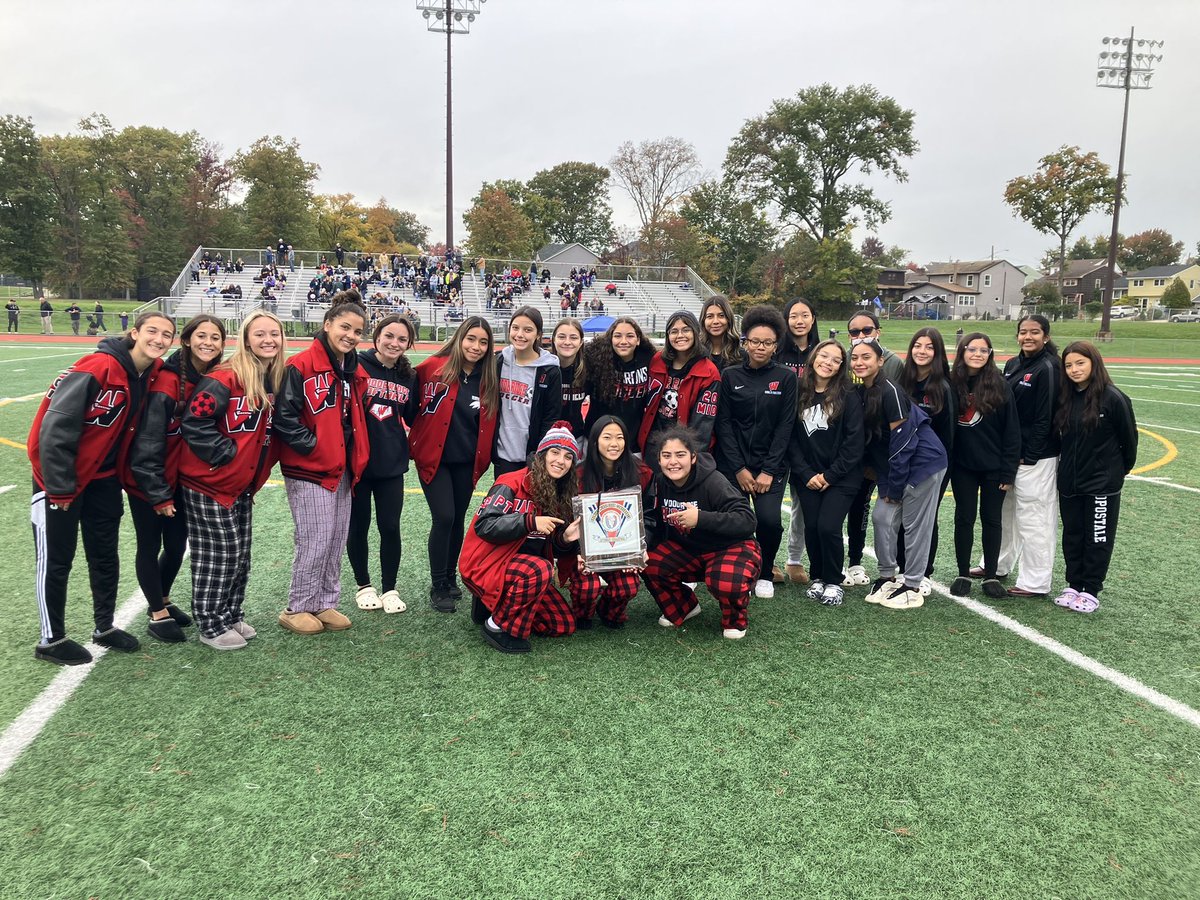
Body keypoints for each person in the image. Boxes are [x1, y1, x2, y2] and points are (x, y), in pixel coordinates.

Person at [29, 312, 175, 665]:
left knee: (104, 553)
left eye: (167, 334)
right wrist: (60, 488)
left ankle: (104, 626)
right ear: (135, 333)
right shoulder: (98, 367)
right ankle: (51, 638)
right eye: (152, 331)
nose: (159, 339)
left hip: (104, 478)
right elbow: (56, 429)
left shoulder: (148, 373)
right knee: (56, 559)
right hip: (61, 481)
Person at [178, 311, 285, 650]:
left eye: (274, 333)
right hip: (209, 482)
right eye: (260, 334)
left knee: (240, 553)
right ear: (246, 339)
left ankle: (230, 612)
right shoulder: (225, 377)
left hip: (240, 484)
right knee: (219, 553)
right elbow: (195, 422)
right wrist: (226, 455)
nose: (268, 340)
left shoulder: (272, 378)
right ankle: (210, 622)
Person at [125, 314, 227, 642]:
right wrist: (158, 493)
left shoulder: (210, 378)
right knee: (150, 543)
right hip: (149, 479)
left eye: (215, 337)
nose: (208, 343)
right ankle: (156, 613)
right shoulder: (168, 382)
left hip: (182, 479)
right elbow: (148, 443)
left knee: (176, 543)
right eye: (201, 336)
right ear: (186, 339)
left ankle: (164, 598)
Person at [273, 296, 370, 636]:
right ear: (328, 324)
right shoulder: (300, 366)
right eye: (345, 327)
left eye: (357, 331)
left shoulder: (351, 368)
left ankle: (323, 601)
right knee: (314, 538)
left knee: (335, 537)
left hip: (342, 466)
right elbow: (283, 419)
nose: (351, 335)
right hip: (311, 467)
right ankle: (297, 605)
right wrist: (316, 448)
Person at [459, 423, 584, 654]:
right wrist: (530, 521)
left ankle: (493, 605)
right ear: (542, 455)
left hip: (526, 569)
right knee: (540, 568)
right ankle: (495, 626)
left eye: (568, 457)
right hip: (489, 562)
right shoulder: (511, 482)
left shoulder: (561, 492)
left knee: (561, 625)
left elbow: (549, 547)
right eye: (554, 453)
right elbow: (485, 525)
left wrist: (565, 539)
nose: (561, 461)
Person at [410, 316, 499, 613]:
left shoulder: (488, 378)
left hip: (466, 462)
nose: (476, 346)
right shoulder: (430, 369)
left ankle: (450, 578)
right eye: (471, 339)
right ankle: (438, 584)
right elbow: (409, 408)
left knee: (458, 518)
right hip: (435, 460)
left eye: (483, 342)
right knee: (444, 517)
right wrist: (418, 441)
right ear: (460, 339)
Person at [851, 340, 947, 611]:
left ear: (880, 361)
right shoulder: (864, 390)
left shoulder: (889, 389)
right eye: (855, 357)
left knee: (915, 525)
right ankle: (886, 577)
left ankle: (913, 584)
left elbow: (902, 442)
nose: (859, 362)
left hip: (923, 464)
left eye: (866, 357)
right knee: (881, 517)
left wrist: (893, 487)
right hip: (896, 468)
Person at [642, 425, 760, 640]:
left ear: (693, 457)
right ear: (658, 460)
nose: (673, 462)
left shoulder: (713, 481)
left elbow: (747, 520)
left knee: (725, 579)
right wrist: (641, 547)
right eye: (666, 456)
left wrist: (701, 518)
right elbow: (652, 520)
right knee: (649, 563)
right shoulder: (659, 482)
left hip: (729, 546)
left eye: (680, 455)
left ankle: (735, 619)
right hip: (690, 549)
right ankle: (684, 606)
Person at [714, 304, 796, 599]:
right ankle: (736, 569)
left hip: (769, 468)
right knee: (733, 520)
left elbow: (785, 427)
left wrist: (767, 471)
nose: (760, 347)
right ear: (745, 342)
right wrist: (739, 469)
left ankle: (764, 572)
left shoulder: (787, 378)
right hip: (734, 466)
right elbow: (723, 425)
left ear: (776, 345)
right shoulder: (730, 375)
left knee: (769, 520)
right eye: (755, 341)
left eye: (768, 342)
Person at [1053, 341, 1137, 614]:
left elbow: (1129, 442)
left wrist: (1113, 473)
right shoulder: (1066, 398)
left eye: (1080, 363)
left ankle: (1091, 588)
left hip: (1102, 484)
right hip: (1069, 482)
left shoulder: (1113, 398)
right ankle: (1074, 583)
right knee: (1073, 535)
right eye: (1068, 365)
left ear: (1094, 363)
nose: (1074, 370)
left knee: (1098, 537)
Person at [347, 314, 419, 615]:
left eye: (402, 339)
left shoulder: (408, 376)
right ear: (376, 336)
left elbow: (415, 417)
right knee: (358, 526)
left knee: (390, 527)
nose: (394, 343)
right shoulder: (355, 364)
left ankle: (389, 587)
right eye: (389, 335)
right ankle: (364, 585)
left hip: (392, 464)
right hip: (358, 463)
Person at [989, 314, 1061, 598]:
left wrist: (1030, 454)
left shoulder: (1049, 367)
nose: (1028, 337)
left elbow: (1047, 417)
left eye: (1034, 332)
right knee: (1006, 513)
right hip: (1010, 455)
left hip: (1036, 458)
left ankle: (1036, 581)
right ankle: (997, 564)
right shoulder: (1013, 364)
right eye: (1023, 332)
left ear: (1046, 336)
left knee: (1035, 519)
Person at [788, 339, 863, 607]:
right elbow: (791, 438)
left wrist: (829, 476)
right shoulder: (798, 391)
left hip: (841, 477)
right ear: (813, 357)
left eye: (835, 359)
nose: (827, 363)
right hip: (806, 475)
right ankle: (818, 576)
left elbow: (854, 444)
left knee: (829, 526)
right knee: (812, 526)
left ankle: (834, 580)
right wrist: (806, 473)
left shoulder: (849, 395)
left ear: (841, 366)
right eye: (824, 356)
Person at [947, 333, 1020, 600]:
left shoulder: (1000, 384)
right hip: (963, 465)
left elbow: (1012, 431)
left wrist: (1008, 469)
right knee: (964, 517)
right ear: (962, 351)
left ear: (990, 354)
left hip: (993, 466)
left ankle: (991, 575)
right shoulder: (951, 382)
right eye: (972, 349)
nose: (977, 354)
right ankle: (963, 572)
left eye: (983, 350)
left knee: (992, 519)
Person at [571, 416, 655, 628]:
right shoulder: (578, 475)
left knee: (628, 586)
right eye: (607, 437)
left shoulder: (642, 473)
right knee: (587, 587)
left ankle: (610, 610)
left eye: (619, 437)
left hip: (622, 549)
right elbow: (568, 520)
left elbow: (651, 516)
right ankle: (583, 613)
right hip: (587, 552)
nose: (614, 444)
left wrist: (639, 548)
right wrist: (577, 552)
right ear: (595, 440)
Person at [841, 309, 903, 589]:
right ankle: (855, 561)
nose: (860, 336)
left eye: (866, 330)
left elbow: (901, 419)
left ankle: (900, 568)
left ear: (878, 331)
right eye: (854, 332)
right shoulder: (846, 362)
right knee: (858, 506)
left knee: (893, 512)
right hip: (859, 451)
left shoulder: (894, 365)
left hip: (889, 452)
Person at [898, 327, 956, 594]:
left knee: (925, 520)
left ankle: (924, 572)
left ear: (938, 352)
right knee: (903, 517)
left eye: (929, 347)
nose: (922, 351)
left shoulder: (942, 386)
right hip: (905, 463)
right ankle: (903, 567)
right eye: (917, 345)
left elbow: (948, 435)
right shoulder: (904, 383)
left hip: (931, 467)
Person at [777, 298, 819, 585]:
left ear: (813, 319)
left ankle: (794, 559)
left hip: (809, 436)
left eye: (805, 315)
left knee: (802, 503)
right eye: (794, 315)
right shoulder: (777, 351)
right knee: (770, 502)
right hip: (777, 433)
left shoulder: (820, 353)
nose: (799, 320)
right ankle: (765, 559)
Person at [494, 306, 562, 478]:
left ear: (538, 334)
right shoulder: (499, 361)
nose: (520, 335)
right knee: (505, 503)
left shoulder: (550, 370)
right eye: (515, 328)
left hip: (532, 454)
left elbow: (550, 416)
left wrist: (540, 453)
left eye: (528, 330)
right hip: (503, 455)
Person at [638, 310, 720, 452]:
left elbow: (702, 427)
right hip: (653, 442)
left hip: (683, 449)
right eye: (674, 331)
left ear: (696, 333)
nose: (680, 335)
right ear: (668, 335)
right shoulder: (657, 361)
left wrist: (691, 458)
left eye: (686, 330)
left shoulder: (709, 373)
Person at [581, 316, 655, 454]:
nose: (623, 341)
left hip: (632, 443)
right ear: (610, 339)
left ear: (638, 340)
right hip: (597, 439)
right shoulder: (596, 361)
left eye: (630, 336)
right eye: (618, 336)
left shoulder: (649, 360)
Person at [552, 318, 588, 440]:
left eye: (573, 338)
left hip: (577, 436)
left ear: (581, 342)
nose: (567, 342)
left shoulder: (588, 370)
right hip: (547, 436)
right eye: (562, 337)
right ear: (554, 339)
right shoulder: (544, 368)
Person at [699, 294, 743, 371]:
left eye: (721, 315)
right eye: (710, 316)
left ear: (729, 319)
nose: (715, 321)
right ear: (703, 321)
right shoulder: (696, 353)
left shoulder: (740, 355)